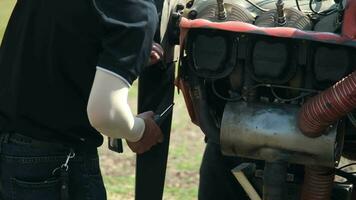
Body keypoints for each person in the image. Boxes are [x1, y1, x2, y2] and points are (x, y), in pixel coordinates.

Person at [0, 0, 163, 199]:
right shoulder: (136, 9)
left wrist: (122, 53)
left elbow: (67, 36)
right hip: (53, 162)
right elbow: (106, 114)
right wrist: (140, 131)